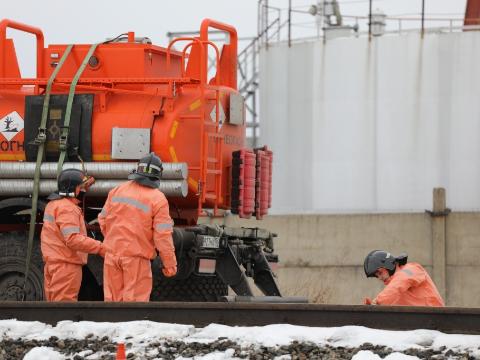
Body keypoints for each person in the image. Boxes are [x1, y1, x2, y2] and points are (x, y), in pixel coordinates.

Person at [98, 152, 177, 302]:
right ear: (158, 174)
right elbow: (163, 236)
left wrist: (115, 241)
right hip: (136, 259)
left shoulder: (116, 191)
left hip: (112, 255)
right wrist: (169, 264)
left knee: (112, 304)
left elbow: (102, 219)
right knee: (135, 307)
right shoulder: (158, 199)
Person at [41, 168, 105, 301]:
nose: (84, 190)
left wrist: (87, 181)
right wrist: (101, 248)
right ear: (72, 189)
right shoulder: (68, 209)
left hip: (53, 264)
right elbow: (73, 239)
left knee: (52, 307)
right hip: (66, 266)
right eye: (81, 187)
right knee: (64, 309)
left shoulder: (53, 205)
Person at [363, 250, 444, 307]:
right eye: (376, 276)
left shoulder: (410, 269)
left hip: (435, 319)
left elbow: (399, 284)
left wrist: (377, 302)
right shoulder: (392, 292)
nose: (379, 278)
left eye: (380, 273)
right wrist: (372, 307)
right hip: (421, 323)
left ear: (387, 265)